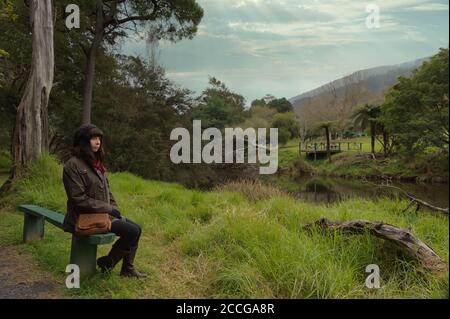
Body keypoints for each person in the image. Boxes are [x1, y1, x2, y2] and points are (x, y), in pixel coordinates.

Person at [62, 124, 147, 278]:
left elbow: (108, 191)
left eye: (99, 138)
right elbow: (77, 199)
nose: (98, 142)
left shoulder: (96, 164)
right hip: (83, 217)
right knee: (132, 231)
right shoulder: (72, 165)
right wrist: (107, 208)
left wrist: (113, 209)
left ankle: (127, 269)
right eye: (93, 138)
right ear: (83, 141)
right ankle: (108, 262)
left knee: (137, 228)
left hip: (103, 214)